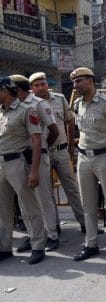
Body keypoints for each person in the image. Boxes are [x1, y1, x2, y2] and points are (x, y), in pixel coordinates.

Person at [71, 67, 106, 263]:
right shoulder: (78, 104)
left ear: (90, 81)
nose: (75, 85)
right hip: (84, 158)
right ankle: (91, 244)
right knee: (88, 204)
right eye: (74, 82)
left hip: (104, 157)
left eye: (79, 81)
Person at [28, 72, 86, 235]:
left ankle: (84, 223)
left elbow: (69, 122)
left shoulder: (59, 98)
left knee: (72, 188)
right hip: (42, 153)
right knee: (47, 193)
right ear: (32, 88)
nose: (40, 87)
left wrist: (70, 146)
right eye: (36, 85)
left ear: (48, 85)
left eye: (43, 84)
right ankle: (54, 225)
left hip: (60, 150)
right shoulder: (29, 104)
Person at [9, 74, 60, 252]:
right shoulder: (13, 107)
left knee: (43, 198)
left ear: (16, 89)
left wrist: (44, 147)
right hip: (20, 158)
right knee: (25, 201)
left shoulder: (38, 104)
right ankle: (33, 236)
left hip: (38, 156)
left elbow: (54, 131)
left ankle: (52, 235)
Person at [0, 77, 47, 265]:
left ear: (4, 90)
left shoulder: (27, 110)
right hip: (1, 164)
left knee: (29, 207)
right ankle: (4, 247)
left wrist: (34, 171)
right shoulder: (1, 113)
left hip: (18, 163)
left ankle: (37, 246)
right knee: (3, 210)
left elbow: (36, 140)